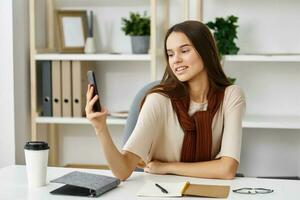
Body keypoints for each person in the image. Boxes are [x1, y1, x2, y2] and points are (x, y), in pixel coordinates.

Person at [85, 20, 246, 181]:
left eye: (184, 51)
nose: (176, 60)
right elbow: (123, 170)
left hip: (211, 192)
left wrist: (166, 167)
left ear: (207, 52)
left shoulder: (231, 96)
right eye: (170, 54)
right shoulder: (159, 101)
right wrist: (101, 128)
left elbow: (227, 170)